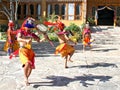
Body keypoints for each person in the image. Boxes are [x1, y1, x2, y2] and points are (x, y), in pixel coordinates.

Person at [16, 18, 45, 86]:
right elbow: (18, 39)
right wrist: (25, 41)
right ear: (25, 26)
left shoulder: (31, 34)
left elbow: (39, 41)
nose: (29, 28)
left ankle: (27, 79)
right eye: (28, 27)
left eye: (30, 27)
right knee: (27, 63)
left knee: (31, 66)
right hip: (23, 50)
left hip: (30, 51)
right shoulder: (21, 31)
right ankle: (25, 78)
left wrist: (44, 38)